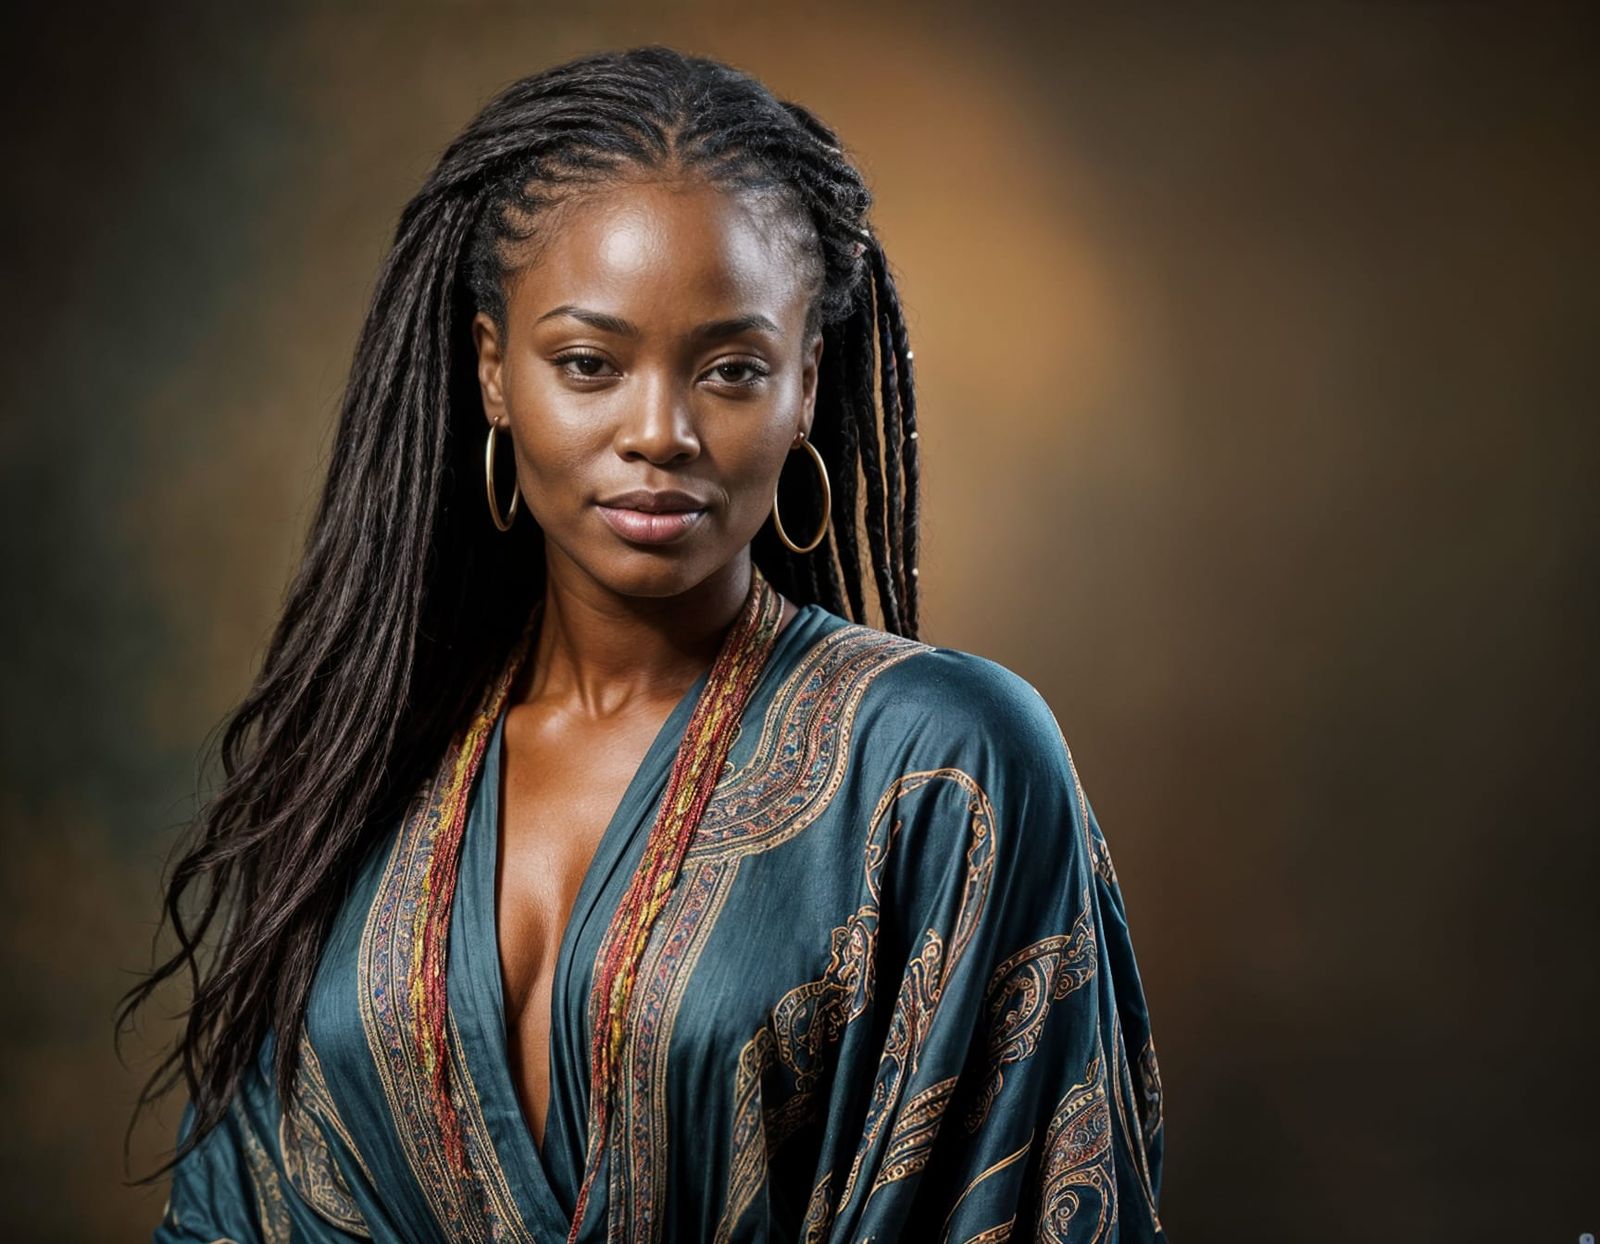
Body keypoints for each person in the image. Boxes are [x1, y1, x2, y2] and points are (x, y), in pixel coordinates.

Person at [123, 44, 1168, 1244]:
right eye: (588, 364)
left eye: (730, 369)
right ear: (492, 372)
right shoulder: (364, 757)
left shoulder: (946, 766)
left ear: (807, 384)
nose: (659, 431)